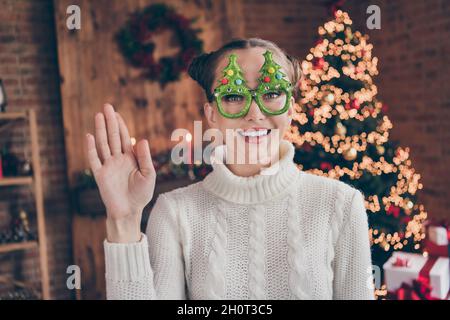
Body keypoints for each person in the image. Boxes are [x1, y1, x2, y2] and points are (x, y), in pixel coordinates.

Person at [85, 38, 374, 300]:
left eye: (272, 92)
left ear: (290, 108)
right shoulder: (174, 213)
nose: (255, 113)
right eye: (233, 97)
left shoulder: (341, 204)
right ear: (211, 114)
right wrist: (124, 220)